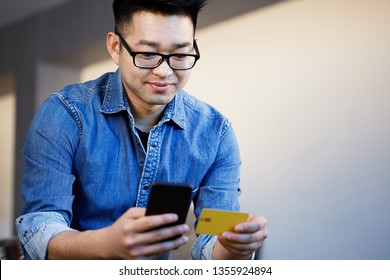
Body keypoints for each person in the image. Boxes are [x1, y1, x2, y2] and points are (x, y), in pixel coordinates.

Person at [15, 0, 268, 260]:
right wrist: (105, 245)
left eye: (180, 55)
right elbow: (41, 226)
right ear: (115, 47)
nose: (164, 71)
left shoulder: (216, 133)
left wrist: (235, 245)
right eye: (147, 54)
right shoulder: (66, 114)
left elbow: (213, 236)